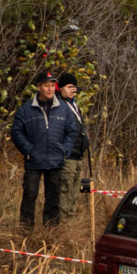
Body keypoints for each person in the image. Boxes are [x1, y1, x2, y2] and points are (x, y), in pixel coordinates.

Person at [11, 70, 78, 229]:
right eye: (46, 86)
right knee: (29, 196)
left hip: (55, 160)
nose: (49, 89)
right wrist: (28, 150)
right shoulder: (26, 109)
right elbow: (16, 132)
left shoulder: (63, 108)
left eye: (51, 86)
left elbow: (72, 131)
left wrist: (64, 150)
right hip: (34, 161)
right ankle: (26, 232)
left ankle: (51, 232)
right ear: (38, 87)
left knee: (53, 198)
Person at [56, 73, 90, 219]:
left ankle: (69, 226)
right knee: (65, 191)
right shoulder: (58, 105)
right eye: (69, 87)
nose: (72, 90)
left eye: (74, 87)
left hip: (78, 155)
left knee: (74, 194)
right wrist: (64, 151)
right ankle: (61, 225)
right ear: (61, 87)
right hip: (67, 157)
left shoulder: (73, 104)